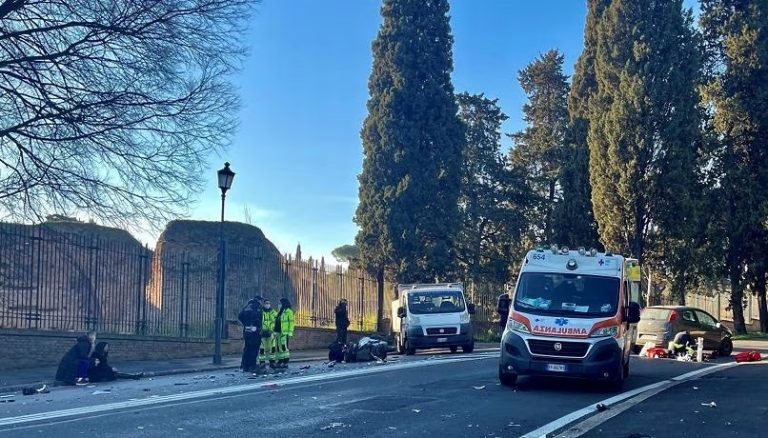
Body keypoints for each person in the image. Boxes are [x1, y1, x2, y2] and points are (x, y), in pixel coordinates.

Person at [238, 297, 263, 373]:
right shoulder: (257, 307)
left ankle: (244, 365)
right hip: (254, 331)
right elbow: (258, 318)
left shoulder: (247, 306)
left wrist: (245, 324)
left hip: (247, 330)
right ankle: (252, 365)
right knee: (254, 349)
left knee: (247, 348)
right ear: (258, 300)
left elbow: (240, 316)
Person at [274, 298, 295, 368]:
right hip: (278, 332)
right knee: (279, 347)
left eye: (280, 303)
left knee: (284, 347)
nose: (279, 305)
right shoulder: (280, 311)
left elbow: (291, 323)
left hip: (284, 332)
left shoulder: (289, 311)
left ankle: (285, 361)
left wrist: (290, 332)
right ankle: (280, 360)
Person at [259, 298, 279, 370]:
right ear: (263, 304)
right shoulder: (261, 312)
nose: (267, 304)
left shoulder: (273, 312)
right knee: (262, 348)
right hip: (262, 332)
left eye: (268, 303)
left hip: (271, 332)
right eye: (266, 303)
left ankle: (272, 362)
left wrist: (274, 330)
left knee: (272, 348)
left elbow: (277, 321)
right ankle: (262, 362)